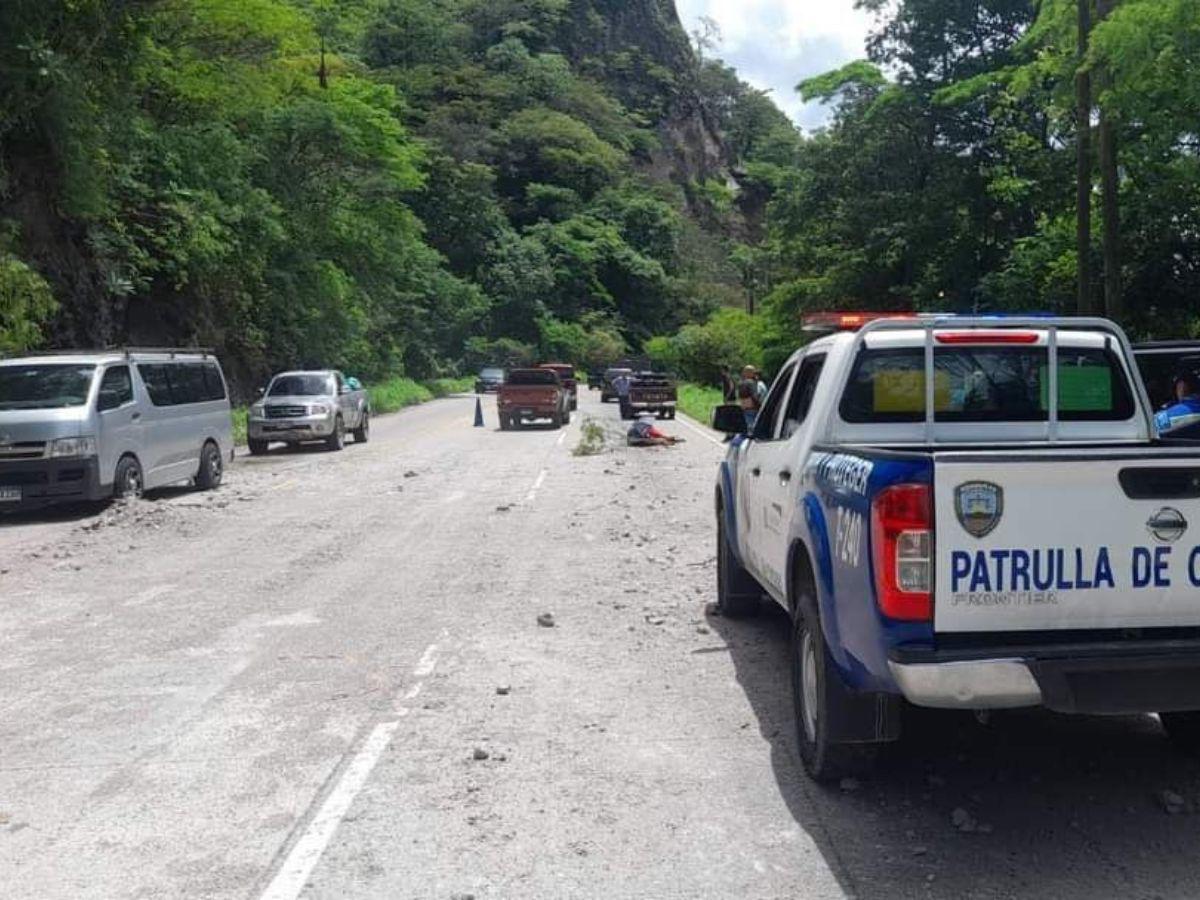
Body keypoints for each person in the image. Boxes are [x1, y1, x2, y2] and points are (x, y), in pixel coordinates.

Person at [738, 365, 764, 431]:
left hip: (744, 408)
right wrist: (760, 406)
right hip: (752, 409)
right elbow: (754, 396)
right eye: (753, 372)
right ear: (750, 373)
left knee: (747, 428)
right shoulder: (751, 383)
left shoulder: (741, 383)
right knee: (753, 429)